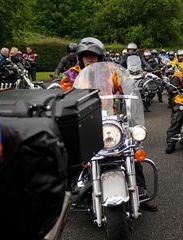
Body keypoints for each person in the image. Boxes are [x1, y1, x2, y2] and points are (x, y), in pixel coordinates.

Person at [61, 37, 157, 211]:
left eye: (93, 55)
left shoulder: (110, 71)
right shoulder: (72, 74)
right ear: (80, 58)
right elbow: (65, 94)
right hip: (83, 121)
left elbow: (125, 83)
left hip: (111, 119)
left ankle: (141, 191)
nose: (89, 59)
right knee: (71, 154)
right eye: (86, 56)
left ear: (100, 57)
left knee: (131, 149)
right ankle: (69, 191)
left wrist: (130, 86)